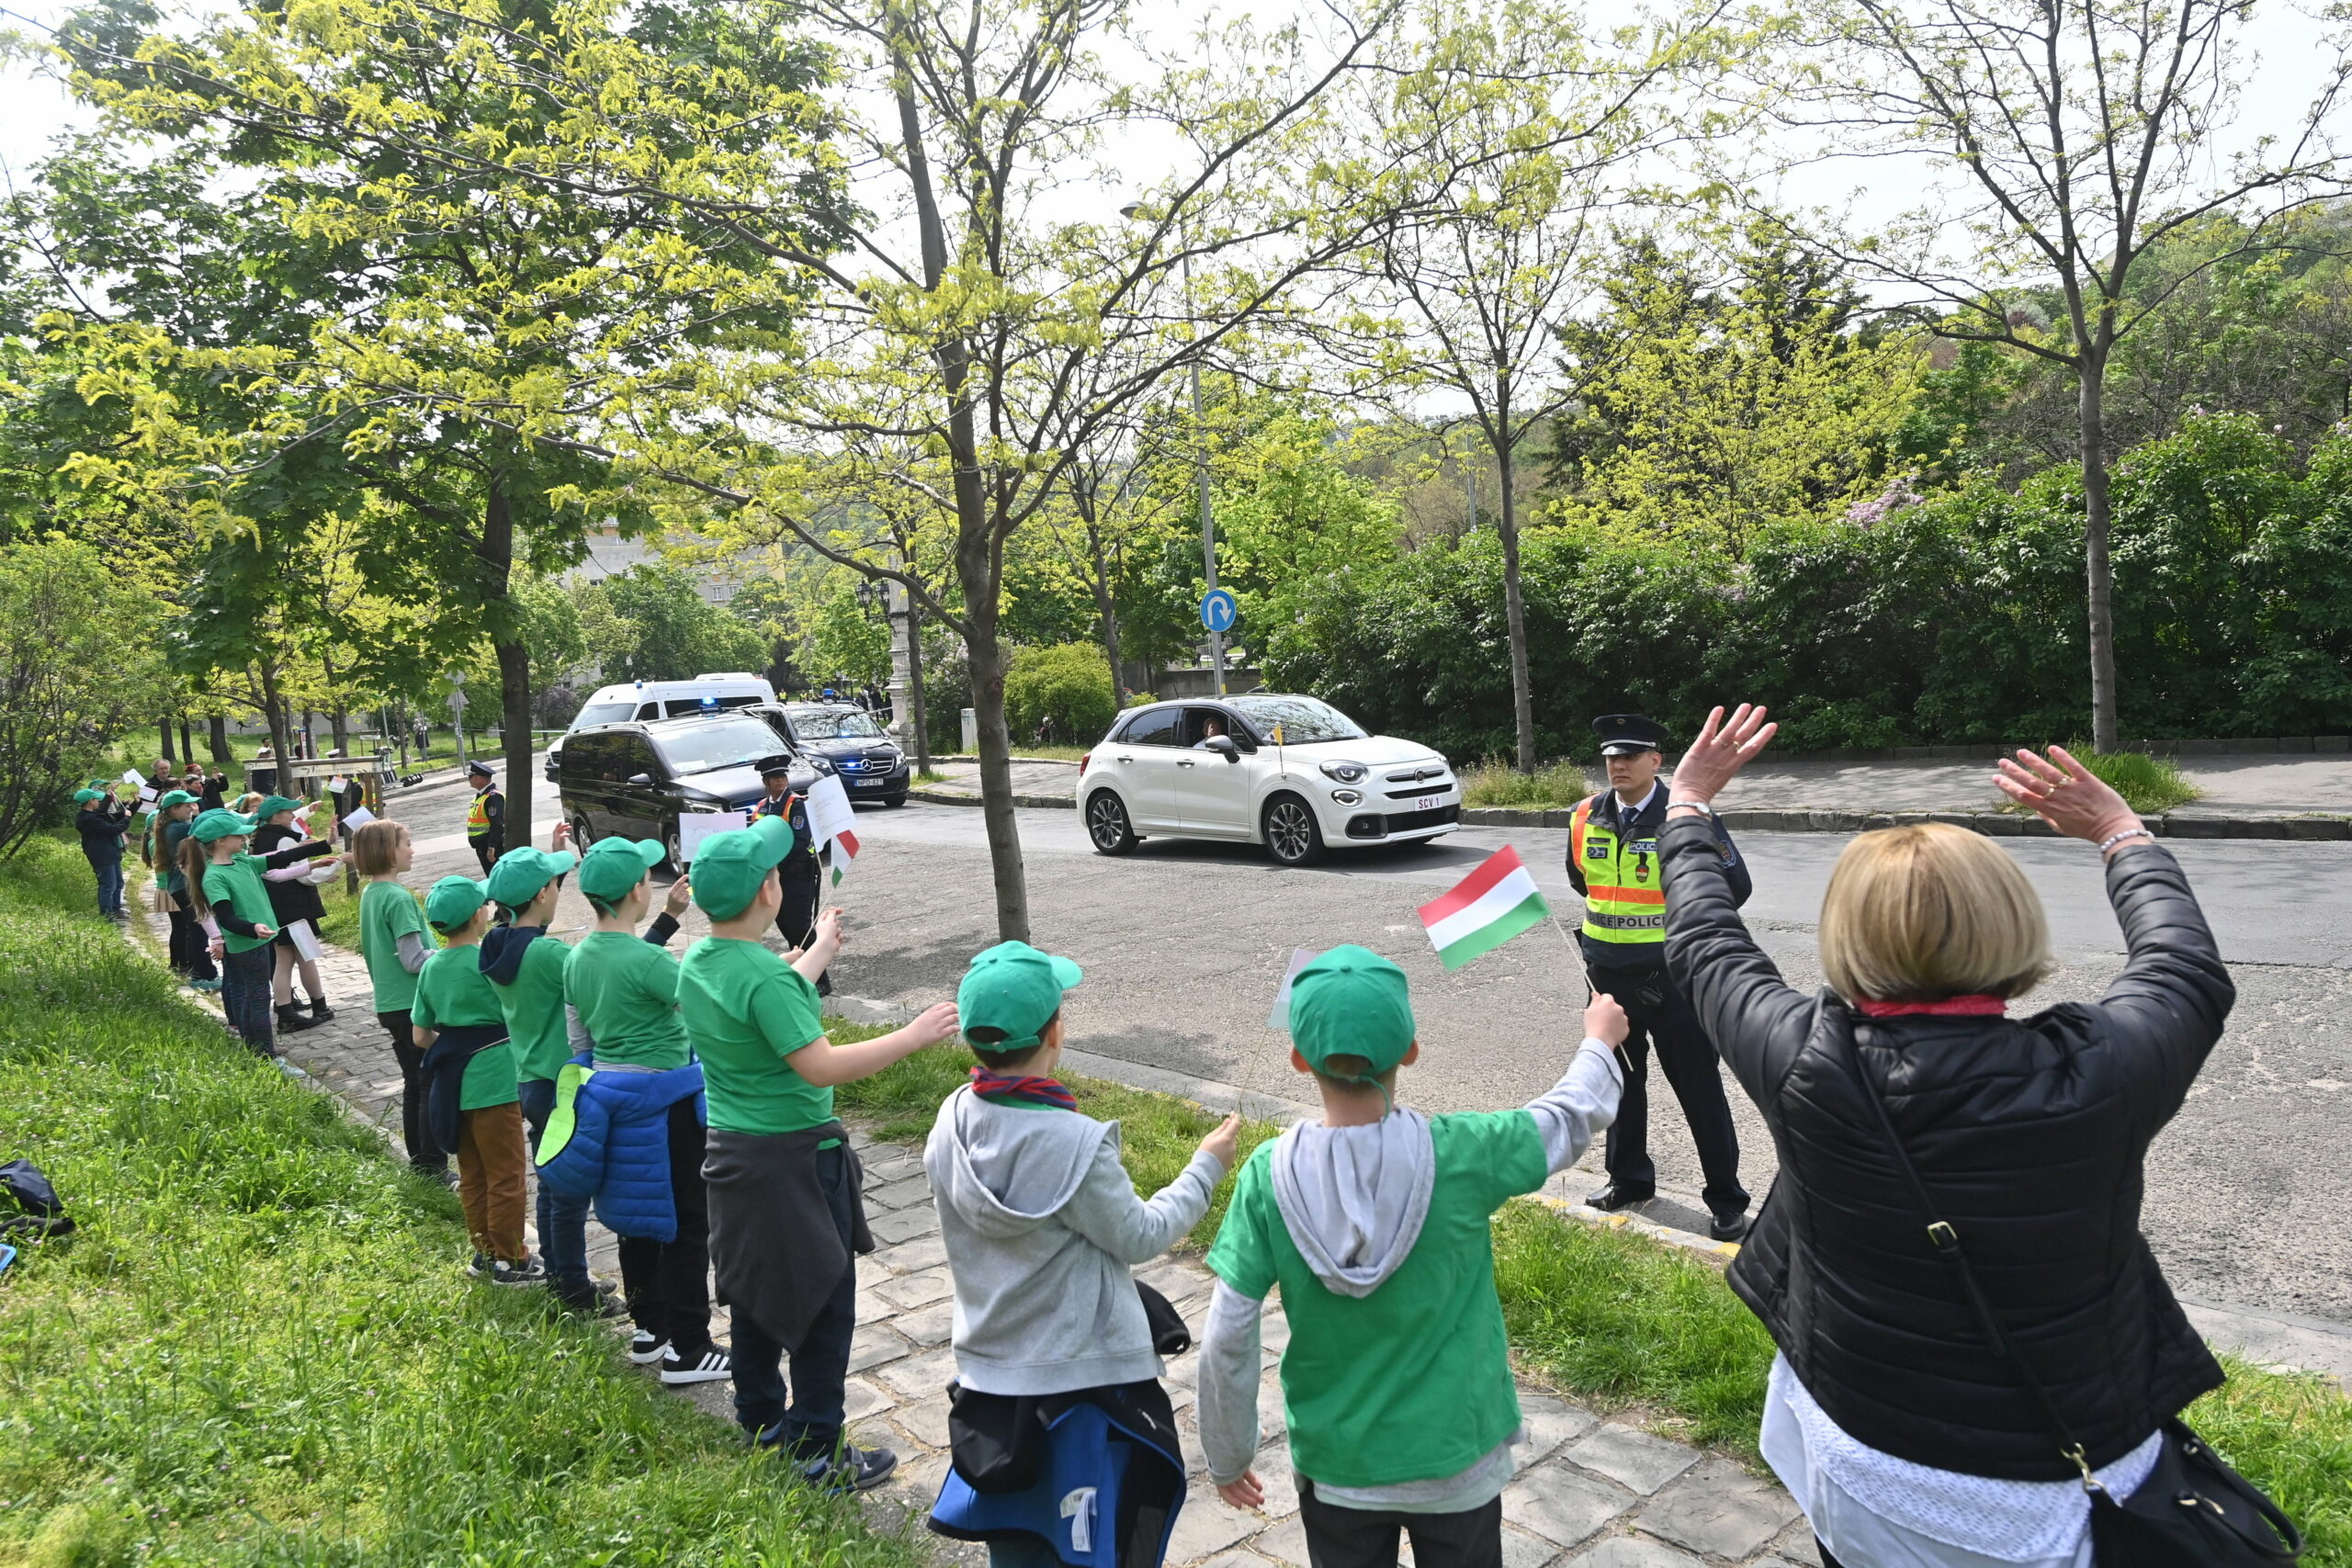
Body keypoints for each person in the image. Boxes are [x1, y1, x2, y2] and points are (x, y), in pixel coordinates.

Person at [1656, 706, 2239, 1568]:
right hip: (2055, 1487)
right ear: (2010, 918)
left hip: (1860, 1464)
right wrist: (2121, 831)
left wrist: (1688, 806)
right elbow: (2183, 965)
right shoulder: (2104, 1070)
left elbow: (1704, 938)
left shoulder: (1803, 1062)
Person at [1198, 947, 1624, 1568]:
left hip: (1339, 1467)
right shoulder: (1461, 1153)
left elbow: (1227, 1333)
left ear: (1297, 1058)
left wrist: (1228, 1453)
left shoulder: (1268, 1177)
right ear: (1411, 1050)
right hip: (1457, 1459)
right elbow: (1565, 1119)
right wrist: (1598, 1041)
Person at [923, 941, 1237, 1567]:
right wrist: (1205, 1167)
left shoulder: (950, 1120)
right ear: (1055, 1033)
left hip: (992, 1384)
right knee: (1092, 1544)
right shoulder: (1075, 1143)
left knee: (1017, 1534)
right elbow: (1141, 1234)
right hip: (1081, 1388)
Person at [680, 816, 960, 1489]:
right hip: (796, 1164)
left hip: (732, 1155)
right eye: (774, 872)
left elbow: (766, 1000)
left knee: (750, 1289)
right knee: (823, 1299)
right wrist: (913, 1034)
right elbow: (822, 1065)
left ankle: (761, 1421)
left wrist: (819, 952)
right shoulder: (768, 980)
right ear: (769, 892)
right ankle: (816, 1448)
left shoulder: (698, 962)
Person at [1566, 713, 1753, 1243]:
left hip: (1674, 977)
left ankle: (1726, 1200)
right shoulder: (1584, 816)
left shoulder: (1686, 817)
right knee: (1620, 1084)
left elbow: (1733, 886)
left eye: (1629, 756)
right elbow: (1581, 880)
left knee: (1698, 1088)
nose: (1617, 765)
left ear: (1656, 761)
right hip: (1606, 975)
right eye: (1609, 757)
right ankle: (1628, 1180)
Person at [562, 837, 731, 1386]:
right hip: (668, 1103)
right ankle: (690, 1349)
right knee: (686, 1222)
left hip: (613, 1097)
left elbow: (577, 1032)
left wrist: (601, 1069)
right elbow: (701, 1002)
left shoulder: (578, 955)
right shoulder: (645, 959)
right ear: (638, 890)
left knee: (635, 1218)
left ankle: (648, 1328)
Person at [480, 829, 664, 1314]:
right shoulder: (547, 954)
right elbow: (613, 966)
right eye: (555, 883)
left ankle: (561, 1275)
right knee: (569, 1197)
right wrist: (665, 924)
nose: (560, 890)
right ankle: (574, 1290)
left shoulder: (496, 945)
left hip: (529, 1079)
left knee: (552, 1182)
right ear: (543, 895)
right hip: (565, 1083)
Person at [413, 874, 541, 1285]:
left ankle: (485, 1253)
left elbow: (420, 1035)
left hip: (454, 1085)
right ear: (477, 915)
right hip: (495, 1082)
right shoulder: (488, 959)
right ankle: (512, 1259)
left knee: (473, 1173)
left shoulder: (431, 966)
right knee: (507, 1174)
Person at [184, 809, 332, 1056]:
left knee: (252, 997)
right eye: (238, 836)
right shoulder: (215, 876)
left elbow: (280, 858)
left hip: (257, 941)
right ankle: (265, 1055)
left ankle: (254, 1047)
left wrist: (323, 846)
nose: (244, 840)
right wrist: (252, 928)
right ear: (221, 841)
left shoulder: (242, 861)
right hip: (248, 944)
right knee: (259, 1001)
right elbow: (227, 918)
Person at [354, 819, 449, 1180]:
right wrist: (450, 955)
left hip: (389, 1003)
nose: (412, 849)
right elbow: (413, 959)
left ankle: (420, 1162)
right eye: (406, 843)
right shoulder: (398, 897)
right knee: (429, 1085)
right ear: (387, 851)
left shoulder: (371, 893)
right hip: (414, 1004)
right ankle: (434, 1165)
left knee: (414, 1082)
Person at [250, 795, 338, 1032]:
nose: (292, 816)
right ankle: (320, 1006)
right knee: (305, 957)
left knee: (283, 960)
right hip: (295, 905)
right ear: (277, 817)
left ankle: (285, 1012)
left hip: (275, 907)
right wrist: (332, 865)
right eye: (288, 812)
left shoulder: (260, 837)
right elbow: (302, 874)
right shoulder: (285, 840)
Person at [751, 763, 829, 996]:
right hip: (774, 878)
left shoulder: (795, 804)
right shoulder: (762, 807)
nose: (780, 781)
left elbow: (800, 841)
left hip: (797, 875)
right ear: (766, 782)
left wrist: (772, 861)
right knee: (784, 924)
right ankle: (802, 970)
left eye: (782, 776)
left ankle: (821, 979)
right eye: (774, 778)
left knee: (801, 927)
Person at [150, 790, 218, 990]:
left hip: (179, 885)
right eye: (187, 805)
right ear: (174, 809)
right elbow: (207, 830)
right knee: (198, 928)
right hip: (185, 885)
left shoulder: (170, 827)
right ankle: (205, 975)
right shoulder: (179, 828)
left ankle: (196, 971)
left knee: (193, 928)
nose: (191, 808)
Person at [74, 783, 134, 919]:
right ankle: (106, 914)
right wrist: (127, 818)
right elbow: (113, 830)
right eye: (97, 800)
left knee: (118, 883)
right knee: (108, 885)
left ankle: (115, 909)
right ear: (91, 801)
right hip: (101, 855)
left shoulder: (93, 814)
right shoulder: (88, 819)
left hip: (111, 852)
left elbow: (102, 810)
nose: (99, 802)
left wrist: (110, 792)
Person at [465, 761, 504, 874]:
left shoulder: (493, 798)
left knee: (496, 879)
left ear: (480, 778)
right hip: (482, 846)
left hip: (491, 846)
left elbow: (497, 825)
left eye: (471, 776)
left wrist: (491, 847)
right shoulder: (481, 796)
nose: (469, 779)